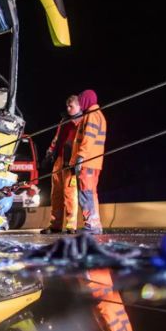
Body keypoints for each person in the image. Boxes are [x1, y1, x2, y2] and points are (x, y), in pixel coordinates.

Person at [40, 95, 81, 234]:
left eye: (71, 106)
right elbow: (56, 139)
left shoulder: (82, 121)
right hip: (59, 160)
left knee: (70, 194)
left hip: (71, 162)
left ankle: (71, 225)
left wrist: (78, 161)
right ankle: (55, 225)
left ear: (79, 106)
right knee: (55, 194)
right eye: (67, 106)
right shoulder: (64, 120)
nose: (68, 109)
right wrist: (49, 154)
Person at [71, 89, 107, 234]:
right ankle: (94, 223)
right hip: (94, 162)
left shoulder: (91, 116)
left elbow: (88, 138)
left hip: (87, 161)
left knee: (86, 193)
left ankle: (91, 224)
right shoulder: (98, 115)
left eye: (81, 100)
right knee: (91, 193)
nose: (80, 103)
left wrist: (80, 157)